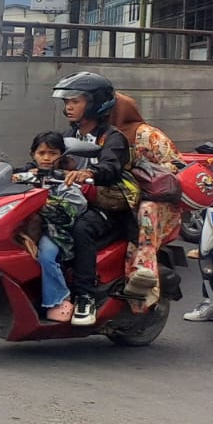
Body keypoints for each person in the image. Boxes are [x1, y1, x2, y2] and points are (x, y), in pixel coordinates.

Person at [53, 71, 130, 326]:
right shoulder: (69, 134)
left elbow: (110, 168)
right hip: (73, 200)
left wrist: (89, 172)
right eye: (67, 102)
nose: (69, 107)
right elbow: (48, 156)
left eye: (75, 101)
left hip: (106, 206)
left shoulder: (113, 137)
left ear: (95, 103)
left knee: (80, 227)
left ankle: (84, 296)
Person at [110, 93, 181, 310]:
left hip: (155, 202)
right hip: (119, 198)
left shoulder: (147, 135)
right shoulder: (98, 134)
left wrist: (140, 174)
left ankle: (142, 274)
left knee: (146, 215)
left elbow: (176, 165)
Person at [15, 131, 86, 323]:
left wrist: (47, 203)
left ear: (61, 156)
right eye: (42, 153)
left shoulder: (65, 179)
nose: (46, 158)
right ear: (33, 155)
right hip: (22, 229)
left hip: (54, 233)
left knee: (46, 255)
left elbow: (78, 206)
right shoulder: (25, 175)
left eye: (52, 153)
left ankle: (60, 299)